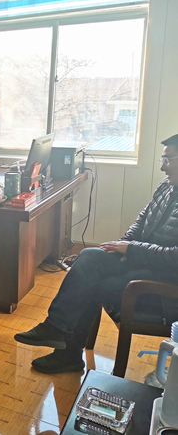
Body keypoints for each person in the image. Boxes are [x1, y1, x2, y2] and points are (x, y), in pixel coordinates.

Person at [15, 134, 178, 374]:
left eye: (168, 159)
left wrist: (132, 250)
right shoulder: (167, 186)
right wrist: (122, 244)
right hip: (146, 262)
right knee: (90, 257)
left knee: (91, 283)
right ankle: (56, 329)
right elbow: (143, 219)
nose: (163, 166)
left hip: (165, 284)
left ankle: (66, 350)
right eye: (163, 159)